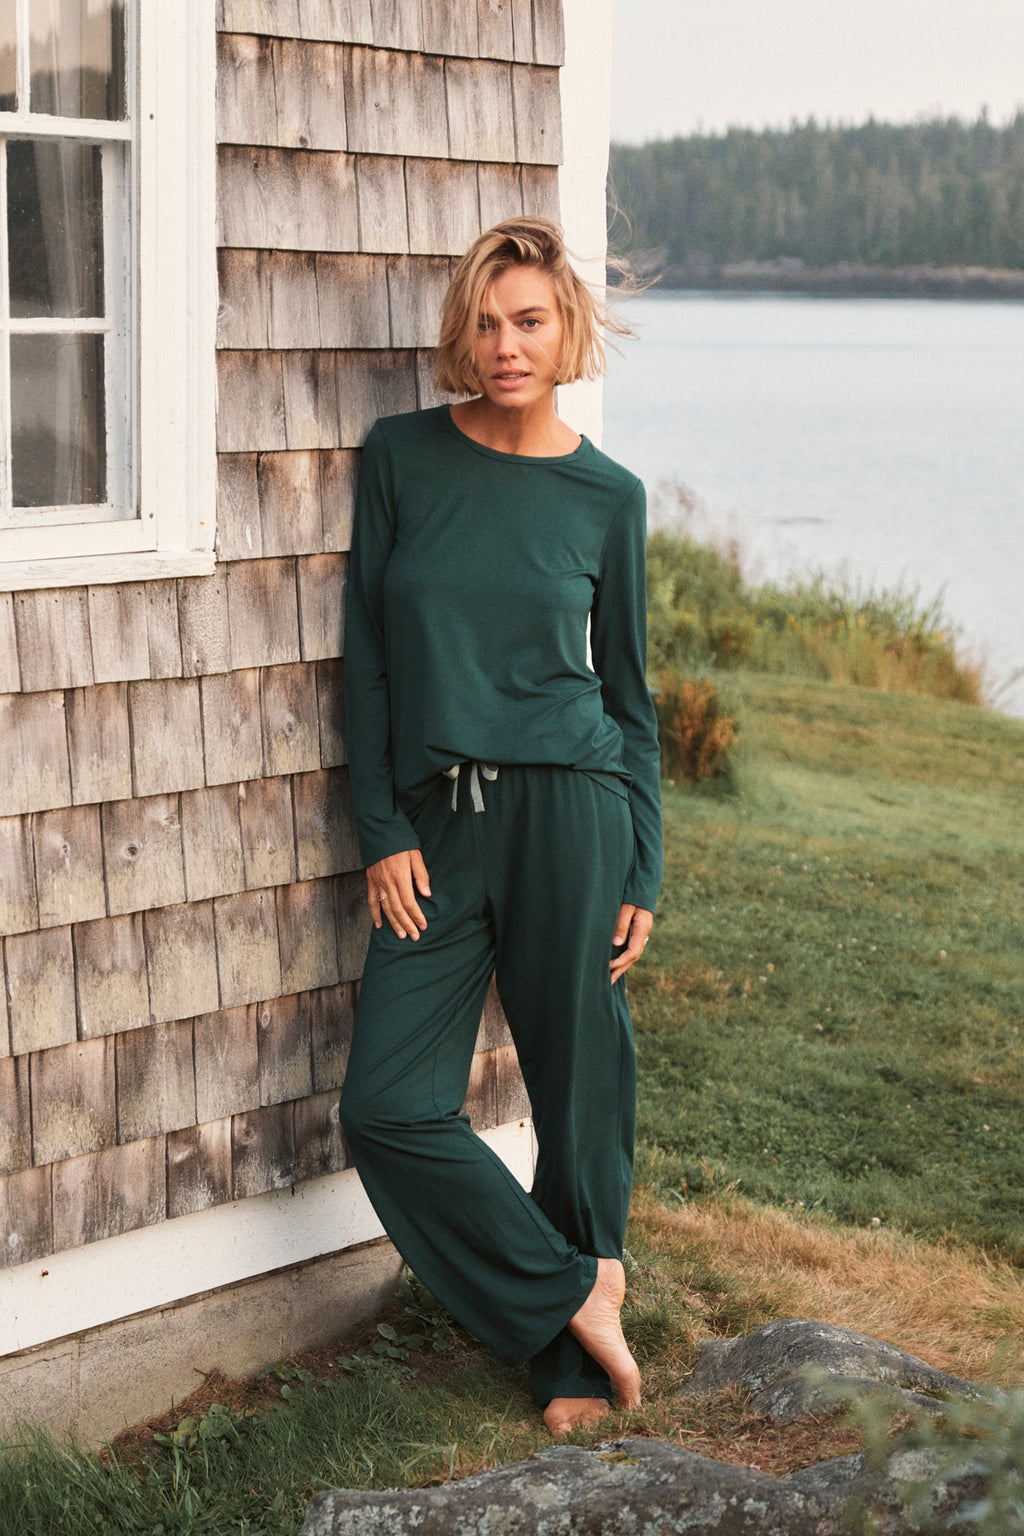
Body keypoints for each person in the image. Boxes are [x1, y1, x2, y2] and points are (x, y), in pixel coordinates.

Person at [339, 217, 662, 1437]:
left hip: (574, 812)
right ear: (461, 335)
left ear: (567, 329)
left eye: (528, 320)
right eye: (486, 321)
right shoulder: (403, 458)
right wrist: (381, 825)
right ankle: (569, 1289)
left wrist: (643, 859)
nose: (505, 344)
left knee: (581, 1084)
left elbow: (628, 702)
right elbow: (367, 655)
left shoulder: (606, 497)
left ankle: (574, 1359)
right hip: (436, 824)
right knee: (385, 1106)